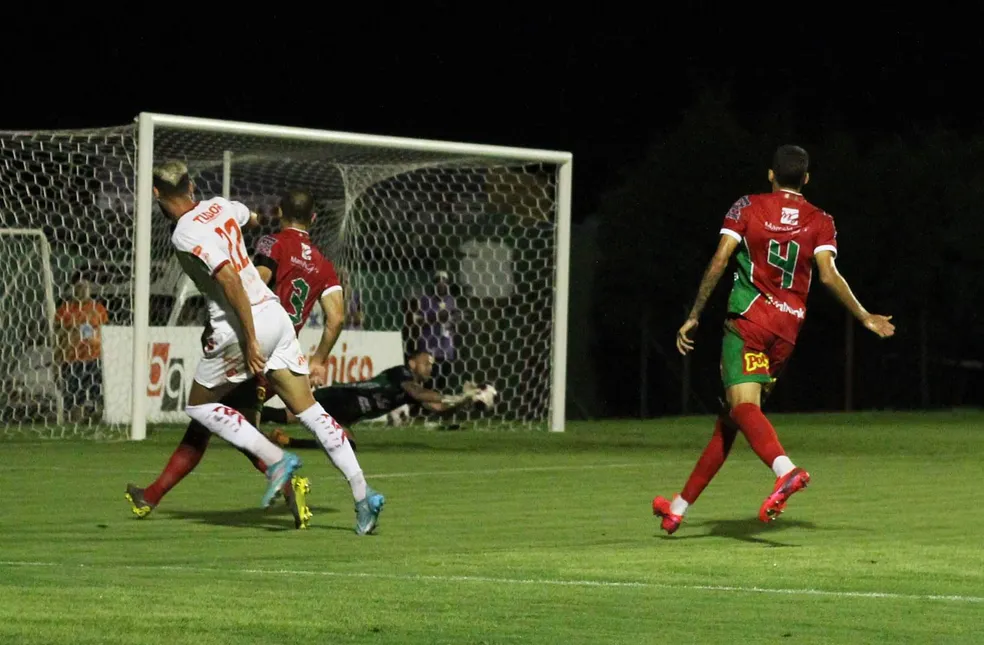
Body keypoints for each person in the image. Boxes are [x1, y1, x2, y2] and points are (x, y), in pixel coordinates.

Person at [126, 167, 383, 535]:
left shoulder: (184, 233)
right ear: (192, 186)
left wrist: (247, 337)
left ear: (156, 193)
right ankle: (363, 495)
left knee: (200, 406)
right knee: (312, 413)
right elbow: (253, 217)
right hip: (277, 318)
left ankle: (276, 460)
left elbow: (229, 279)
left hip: (241, 325)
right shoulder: (220, 206)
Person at [652, 145, 895, 534]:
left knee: (741, 407)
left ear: (770, 175)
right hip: (786, 333)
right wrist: (864, 315)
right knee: (731, 418)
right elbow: (829, 275)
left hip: (748, 322)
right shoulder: (820, 219)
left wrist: (695, 314)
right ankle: (677, 508)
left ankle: (785, 471)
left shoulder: (747, 206)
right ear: (806, 179)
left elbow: (719, 259)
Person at [261, 350, 490, 449]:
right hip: (341, 398)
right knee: (284, 416)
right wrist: (460, 394)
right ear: (412, 361)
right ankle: (241, 410)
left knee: (347, 444)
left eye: (431, 364)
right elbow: (417, 393)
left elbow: (439, 409)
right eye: (426, 362)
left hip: (350, 412)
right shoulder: (401, 373)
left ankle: (286, 442)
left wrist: (464, 402)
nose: (430, 367)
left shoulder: (415, 389)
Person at [54, 275, 108, 421]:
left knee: (99, 393)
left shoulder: (98, 309)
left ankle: (99, 417)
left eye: (86, 287)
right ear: (73, 289)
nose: (83, 290)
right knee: (75, 397)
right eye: (79, 287)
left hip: (94, 358)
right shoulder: (64, 310)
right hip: (73, 359)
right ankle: (76, 423)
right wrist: (57, 359)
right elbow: (58, 336)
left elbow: (104, 333)